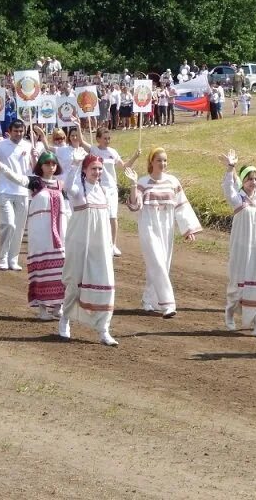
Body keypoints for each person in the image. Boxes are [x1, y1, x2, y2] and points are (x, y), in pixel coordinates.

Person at [0, 151, 70, 320]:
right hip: (40, 234)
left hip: (60, 234)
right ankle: (43, 309)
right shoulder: (35, 182)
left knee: (61, 268)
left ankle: (57, 305)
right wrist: (0, 165)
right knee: (42, 269)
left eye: (53, 164)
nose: (50, 167)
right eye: (47, 164)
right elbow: (16, 178)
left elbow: (67, 209)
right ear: (41, 166)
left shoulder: (61, 185)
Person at [124, 148, 201, 318]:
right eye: (159, 160)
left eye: (165, 160)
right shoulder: (143, 182)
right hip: (148, 225)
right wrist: (132, 184)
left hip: (167, 226)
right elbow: (134, 206)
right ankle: (168, 304)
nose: (163, 164)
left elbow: (182, 206)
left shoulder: (173, 181)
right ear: (151, 162)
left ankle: (148, 300)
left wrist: (188, 230)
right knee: (157, 262)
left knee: (162, 264)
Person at [59, 150, 119, 346]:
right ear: (85, 170)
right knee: (75, 283)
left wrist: (110, 244)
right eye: (94, 168)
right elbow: (68, 187)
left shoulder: (103, 191)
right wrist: (74, 165)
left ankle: (103, 330)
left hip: (100, 245)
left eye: (100, 169)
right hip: (79, 242)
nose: (98, 172)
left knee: (106, 283)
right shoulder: (79, 190)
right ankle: (65, 320)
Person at [219, 149, 256, 339]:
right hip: (242, 248)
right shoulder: (238, 199)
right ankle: (230, 313)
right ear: (243, 181)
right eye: (249, 179)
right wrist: (231, 168)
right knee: (239, 283)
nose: (253, 183)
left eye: (255, 179)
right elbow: (228, 188)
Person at [0, 119, 38, 270]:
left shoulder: (28, 146)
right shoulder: (0, 145)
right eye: (16, 131)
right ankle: (3, 257)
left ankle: (13, 259)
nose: (19, 134)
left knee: (19, 228)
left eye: (21, 131)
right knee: (9, 224)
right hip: (5, 190)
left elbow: (35, 171)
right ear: (10, 131)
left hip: (23, 191)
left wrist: (34, 157)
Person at [88, 127, 140, 257]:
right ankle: (98, 243)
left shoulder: (113, 152)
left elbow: (124, 166)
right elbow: (82, 142)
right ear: (98, 139)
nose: (107, 140)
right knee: (99, 216)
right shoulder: (93, 150)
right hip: (98, 188)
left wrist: (135, 156)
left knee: (113, 216)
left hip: (111, 188)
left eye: (108, 138)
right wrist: (78, 126)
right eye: (104, 138)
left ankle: (113, 245)